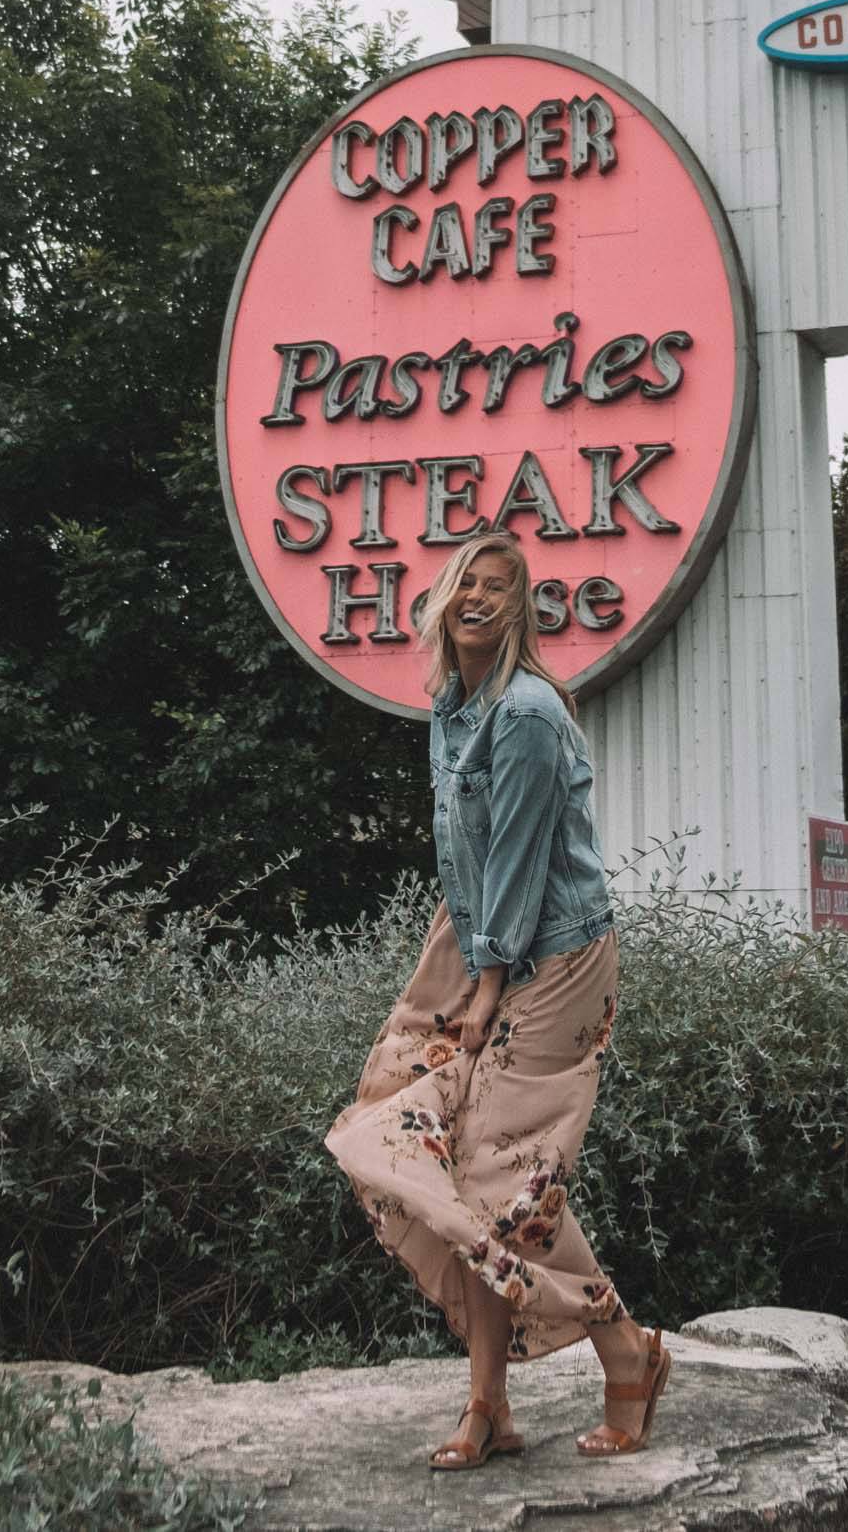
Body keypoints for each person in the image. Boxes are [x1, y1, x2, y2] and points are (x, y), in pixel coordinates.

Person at [324, 531, 670, 1471]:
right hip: (480, 938)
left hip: (548, 955)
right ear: (444, 597)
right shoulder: (451, 708)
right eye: (466, 582)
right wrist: (461, 964)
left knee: (497, 1181)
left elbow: (518, 857)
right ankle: (491, 1403)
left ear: (519, 614)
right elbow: (467, 861)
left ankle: (618, 1348)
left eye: (499, 588)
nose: (479, 597)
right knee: (432, 1150)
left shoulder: (521, 713)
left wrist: (484, 988)